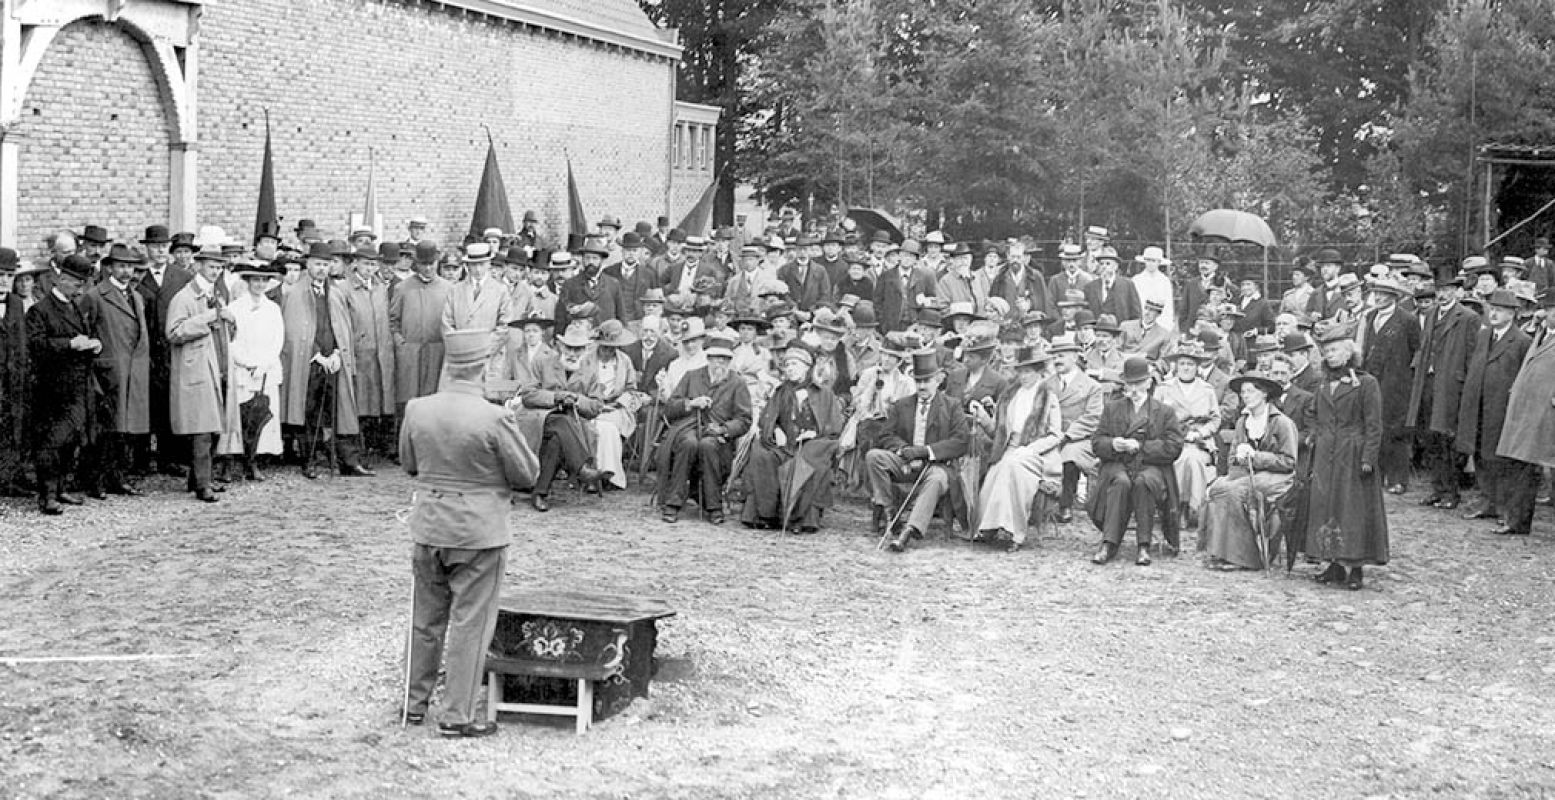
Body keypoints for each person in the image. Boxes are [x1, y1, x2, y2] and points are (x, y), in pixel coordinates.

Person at [399, 328, 537, 738]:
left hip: (428, 525)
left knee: (424, 618)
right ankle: (457, 715)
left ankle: (412, 705)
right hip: (478, 531)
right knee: (470, 623)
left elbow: (410, 464)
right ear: (482, 367)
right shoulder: (494, 416)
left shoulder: (417, 409)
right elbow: (527, 475)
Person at [1305, 323, 1388, 590]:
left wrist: (1368, 457)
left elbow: (1374, 424)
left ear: (1349, 351)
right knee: (1327, 506)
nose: (1330, 355)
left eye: (1335, 349)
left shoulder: (1366, 383)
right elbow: (1312, 413)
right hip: (1326, 455)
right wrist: (1315, 434)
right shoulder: (1323, 384)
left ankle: (1355, 568)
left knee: (1352, 510)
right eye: (1326, 350)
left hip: (1352, 454)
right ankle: (1334, 565)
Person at [281, 242, 372, 479]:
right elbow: (294, 332)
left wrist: (337, 354)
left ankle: (347, 461)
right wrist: (319, 355)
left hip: (334, 361)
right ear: (308, 264)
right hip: (311, 362)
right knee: (310, 412)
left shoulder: (336, 293)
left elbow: (343, 327)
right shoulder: (296, 293)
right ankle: (309, 460)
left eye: (326, 264)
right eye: (317, 264)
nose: (322, 269)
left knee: (341, 410)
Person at [865, 350, 971, 552]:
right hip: (904, 461)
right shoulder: (902, 405)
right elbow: (885, 435)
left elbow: (960, 442)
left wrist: (924, 452)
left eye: (927, 380)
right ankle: (889, 512)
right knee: (874, 457)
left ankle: (909, 529)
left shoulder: (951, 406)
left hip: (935, 465)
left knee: (938, 479)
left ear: (938, 380)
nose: (922, 386)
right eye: (918, 381)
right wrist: (903, 450)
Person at [1088, 355, 1184, 566]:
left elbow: (1174, 446)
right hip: (1118, 464)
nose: (1133, 389)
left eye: (1139, 383)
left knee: (1144, 482)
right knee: (1120, 482)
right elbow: (1096, 442)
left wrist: (1140, 447)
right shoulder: (1112, 408)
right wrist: (1113, 444)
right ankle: (1109, 543)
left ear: (1149, 382)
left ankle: (1144, 545)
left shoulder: (1164, 412)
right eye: (1129, 384)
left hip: (1151, 466)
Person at [1199, 373, 1298, 570]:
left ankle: (1245, 558)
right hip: (1246, 474)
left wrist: (1256, 456)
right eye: (1243, 392)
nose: (1245, 396)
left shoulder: (1281, 422)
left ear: (1264, 394)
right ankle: (1219, 551)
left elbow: (1289, 462)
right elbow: (1232, 459)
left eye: (1250, 391)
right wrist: (1239, 458)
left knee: (1234, 492)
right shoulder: (1243, 422)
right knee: (1216, 488)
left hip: (1278, 478)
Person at [739, 347, 844, 531]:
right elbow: (767, 418)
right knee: (762, 455)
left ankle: (801, 519)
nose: (790, 369)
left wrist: (814, 433)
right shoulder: (781, 391)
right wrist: (776, 429)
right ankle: (766, 514)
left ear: (806, 367)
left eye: (794, 364)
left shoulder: (824, 393)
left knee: (807, 460)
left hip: (813, 443)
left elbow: (833, 426)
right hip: (784, 443)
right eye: (787, 365)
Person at [165, 247, 240, 502]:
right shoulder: (184, 298)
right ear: (198, 267)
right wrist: (206, 319)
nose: (216, 272)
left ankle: (197, 479)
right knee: (202, 429)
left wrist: (231, 321)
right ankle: (203, 485)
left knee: (214, 426)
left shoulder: (216, 295)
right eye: (211, 267)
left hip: (217, 364)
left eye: (219, 268)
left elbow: (223, 329)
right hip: (196, 367)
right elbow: (173, 332)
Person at [27, 255, 100, 514]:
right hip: (53, 388)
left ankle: (60, 488)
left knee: (71, 440)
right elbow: (35, 345)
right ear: (62, 279)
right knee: (52, 441)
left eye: (82, 285)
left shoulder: (76, 306)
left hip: (78, 385)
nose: (80, 290)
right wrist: (69, 344)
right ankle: (47, 496)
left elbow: (84, 334)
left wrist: (93, 345)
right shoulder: (41, 310)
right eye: (76, 284)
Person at [78, 244, 152, 497]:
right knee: (105, 431)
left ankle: (118, 478)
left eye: (130, 266)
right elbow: (83, 332)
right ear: (109, 267)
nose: (126, 271)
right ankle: (95, 481)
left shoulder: (137, 296)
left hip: (134, 371)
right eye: (121, 266)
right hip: (108, 372)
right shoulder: (96, 296)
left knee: (126, 431)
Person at [656, 333, 752, 524]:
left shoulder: (737, 383)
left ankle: (714, 506)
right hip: (688, 428)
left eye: (725, 359)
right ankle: (673, 503)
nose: (720, 364)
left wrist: (724, 429)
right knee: (689, 443)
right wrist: (691, 403)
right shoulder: (692, 376)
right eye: (716, 358)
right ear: (708, 359)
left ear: (730, 361)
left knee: (708, 445)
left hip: (718, 436)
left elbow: (744, 419)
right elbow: (669, 408)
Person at [1455, 289, 1531, 531]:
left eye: (1500, 310)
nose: (1494, 313)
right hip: (1477, 404)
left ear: (1512, 313)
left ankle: (1504, 506)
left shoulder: (1521, 341)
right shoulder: (1484, 335)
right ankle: (1487, 501)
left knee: (1498, 458)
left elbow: (1522, 378)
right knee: (1478, 454)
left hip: (1500, 408)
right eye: (1492, 309)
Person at [975, 343, 1063, 551]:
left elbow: (1056, 434)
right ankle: (989, 527)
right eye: (1021, 372)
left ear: (1039, 372)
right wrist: (982, 417)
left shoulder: (1048, 397)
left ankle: (1017, 533)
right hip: (1009, 448)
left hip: (1038, 453)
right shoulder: (1010, 395)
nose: (1023, 377)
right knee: (996, 473)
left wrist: (1032, 449)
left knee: (1013, 467)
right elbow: (998, 431)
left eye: (1028, 372)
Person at [514, 327, 607, 512]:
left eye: (578, 349)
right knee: (561, 423)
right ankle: (581, 468)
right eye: (569, 348)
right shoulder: (542, 362)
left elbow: (596, 406)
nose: (572, 354)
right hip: (538, 419)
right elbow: (528, 395)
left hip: (568, 426)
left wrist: (577, 400)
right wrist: (556, 397)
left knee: (557, 440)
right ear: (560, 346)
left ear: (585, 349)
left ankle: (540, 493)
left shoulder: (590, 372)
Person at [1493, 290, 1555, 536]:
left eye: (1551, 309)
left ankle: (1518, 520)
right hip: (1527, 410)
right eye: (1548, 309)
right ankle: (1517, 521)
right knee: (1521, 465)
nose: (1549, 314)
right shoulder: (1540, 334)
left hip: (1545, 412)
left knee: (1533, 465)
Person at [1351, 277, 1420, 494]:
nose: (1378, 297)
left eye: (1384, 294)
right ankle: (1376, 474)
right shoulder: (1369, 317)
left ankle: (1398, 479)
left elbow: (1416, 349)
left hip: (1397, 383)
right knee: (1373, 426)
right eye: (1376, 293)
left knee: (1395, 430)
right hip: (1372, 380)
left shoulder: (1407, 320)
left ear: (1394, 297)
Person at [220, 260, 285, 480]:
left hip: (265, 370)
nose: (259, 284)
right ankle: (228, 464)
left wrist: (262, 364)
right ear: (248, 282)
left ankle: (252, 461)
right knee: (237, 418)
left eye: (263, 280)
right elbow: (231, 341)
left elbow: (277, 341)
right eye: (255, 280)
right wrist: (247, 363)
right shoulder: (236, 307)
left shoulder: (273, 309)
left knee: (260, 418)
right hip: (242, 370)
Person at [1155, 343, 1220, 529]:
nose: (1185, 368)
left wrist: (1200, 433)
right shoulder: (1164, 388)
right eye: (1182, 363)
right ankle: (1175, 507)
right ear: (1176, 365)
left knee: (1192, 459)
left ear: (1197, 367)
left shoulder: (1207, 390)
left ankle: (1187, 507)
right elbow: (1154, 416)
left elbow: (1215, 420)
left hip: (1199, 441)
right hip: (1171, 439)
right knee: (1181, 458)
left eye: (1190, 364)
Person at [345, 247, 398, 462]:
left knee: (378, 401)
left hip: (380, 354)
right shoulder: (346, 288)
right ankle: (357, 452)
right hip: (361, 354)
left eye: (373, 264)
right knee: (360, 402)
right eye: (366, 264)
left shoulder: (380, 289)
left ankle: (375, 448)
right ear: (356, 263)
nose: (370, 269)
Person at [1044, 336, 1103, 523]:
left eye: (1061, 356)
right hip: (1051, 434)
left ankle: (1065, 504)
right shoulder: (1046, 385)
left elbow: (1093, 417)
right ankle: (1040, 503)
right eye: (1054, 357)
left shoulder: (1091, 386)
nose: (1057, 361)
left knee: (1069, 454)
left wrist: (1068, 435)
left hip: (1080, 438)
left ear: (1075, 357)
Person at [390, 241, 450, 411]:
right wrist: (401, 344)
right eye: (424, 264)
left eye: (432, 264)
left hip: (437, 353)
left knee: (435, 401)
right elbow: (393, 320)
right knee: (409, 403)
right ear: (417, 264)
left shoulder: (448, 289)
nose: (428, 269)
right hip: (410, 353)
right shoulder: (402, 288)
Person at [587, 320, 644, 491]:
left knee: (608, 426)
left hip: (616, 409)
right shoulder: (587, 359)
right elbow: (577, 387)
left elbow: (632, 389)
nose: (608, 351)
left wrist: (619, 403)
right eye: (604, 347)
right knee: (600, 426)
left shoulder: (624, 361)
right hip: (590, 407)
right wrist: (592, 404)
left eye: (612, 348)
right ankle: (597, 473)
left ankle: (606, 474)